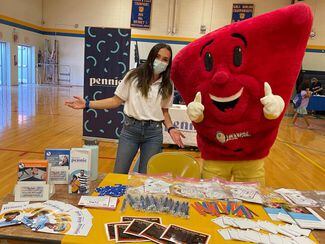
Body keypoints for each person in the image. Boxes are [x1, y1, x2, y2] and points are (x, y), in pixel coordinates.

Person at [65, 43, 184, 174]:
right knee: (119, 173)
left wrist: (171, 128)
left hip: (153, 134)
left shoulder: (168, 85)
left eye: (165, 59)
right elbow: (115, 100)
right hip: (130, 131)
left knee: (144, 177)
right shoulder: (133, 76)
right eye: (158, 57)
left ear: (168, 63)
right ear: (151, 57)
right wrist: (88, 104)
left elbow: (164, 111)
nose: (160, 61)